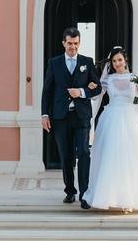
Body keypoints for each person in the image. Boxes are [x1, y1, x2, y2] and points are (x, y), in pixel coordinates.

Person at [82, 46, 138, 212]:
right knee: (111, 157)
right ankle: (108, 196)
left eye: (119, 60)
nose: (117, 63)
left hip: (129, 119)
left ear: (125, 60)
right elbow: (97, 98)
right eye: (114, 61)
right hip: (112, 118)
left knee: (130, 158)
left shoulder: (135, 79)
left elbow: (137, 104)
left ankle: (129, 199)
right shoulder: (108, 80)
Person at [41, 27, 102, 209]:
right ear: (63, 43)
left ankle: (85, 193)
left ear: (79, 43)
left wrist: (82, 92)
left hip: (81, 116)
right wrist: (45, 114)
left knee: (83, 152)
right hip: (60, 117)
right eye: (69, 43)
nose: (73, 47)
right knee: (66, 155)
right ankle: (70, 191)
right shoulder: (54, 63)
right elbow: (47, 91)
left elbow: (97, 88)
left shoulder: (87, 62)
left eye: (76, 43)